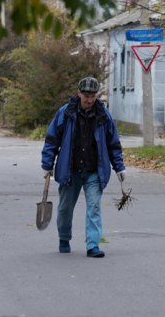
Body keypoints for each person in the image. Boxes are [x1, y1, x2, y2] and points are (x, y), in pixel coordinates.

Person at [41, 76, 126, 258]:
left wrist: (119, 167)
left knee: (94, 207)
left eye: (92, 95)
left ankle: (93, 245)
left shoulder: (103, 115)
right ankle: (64, 238)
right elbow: (51, 139)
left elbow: (113, 143)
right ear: (79, 93)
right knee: (65, 208)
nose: (89, 99)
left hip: (94, 170)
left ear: (96, 95)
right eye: (86, 95)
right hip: (70, 170)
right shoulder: (66, 113)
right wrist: (47, 165)